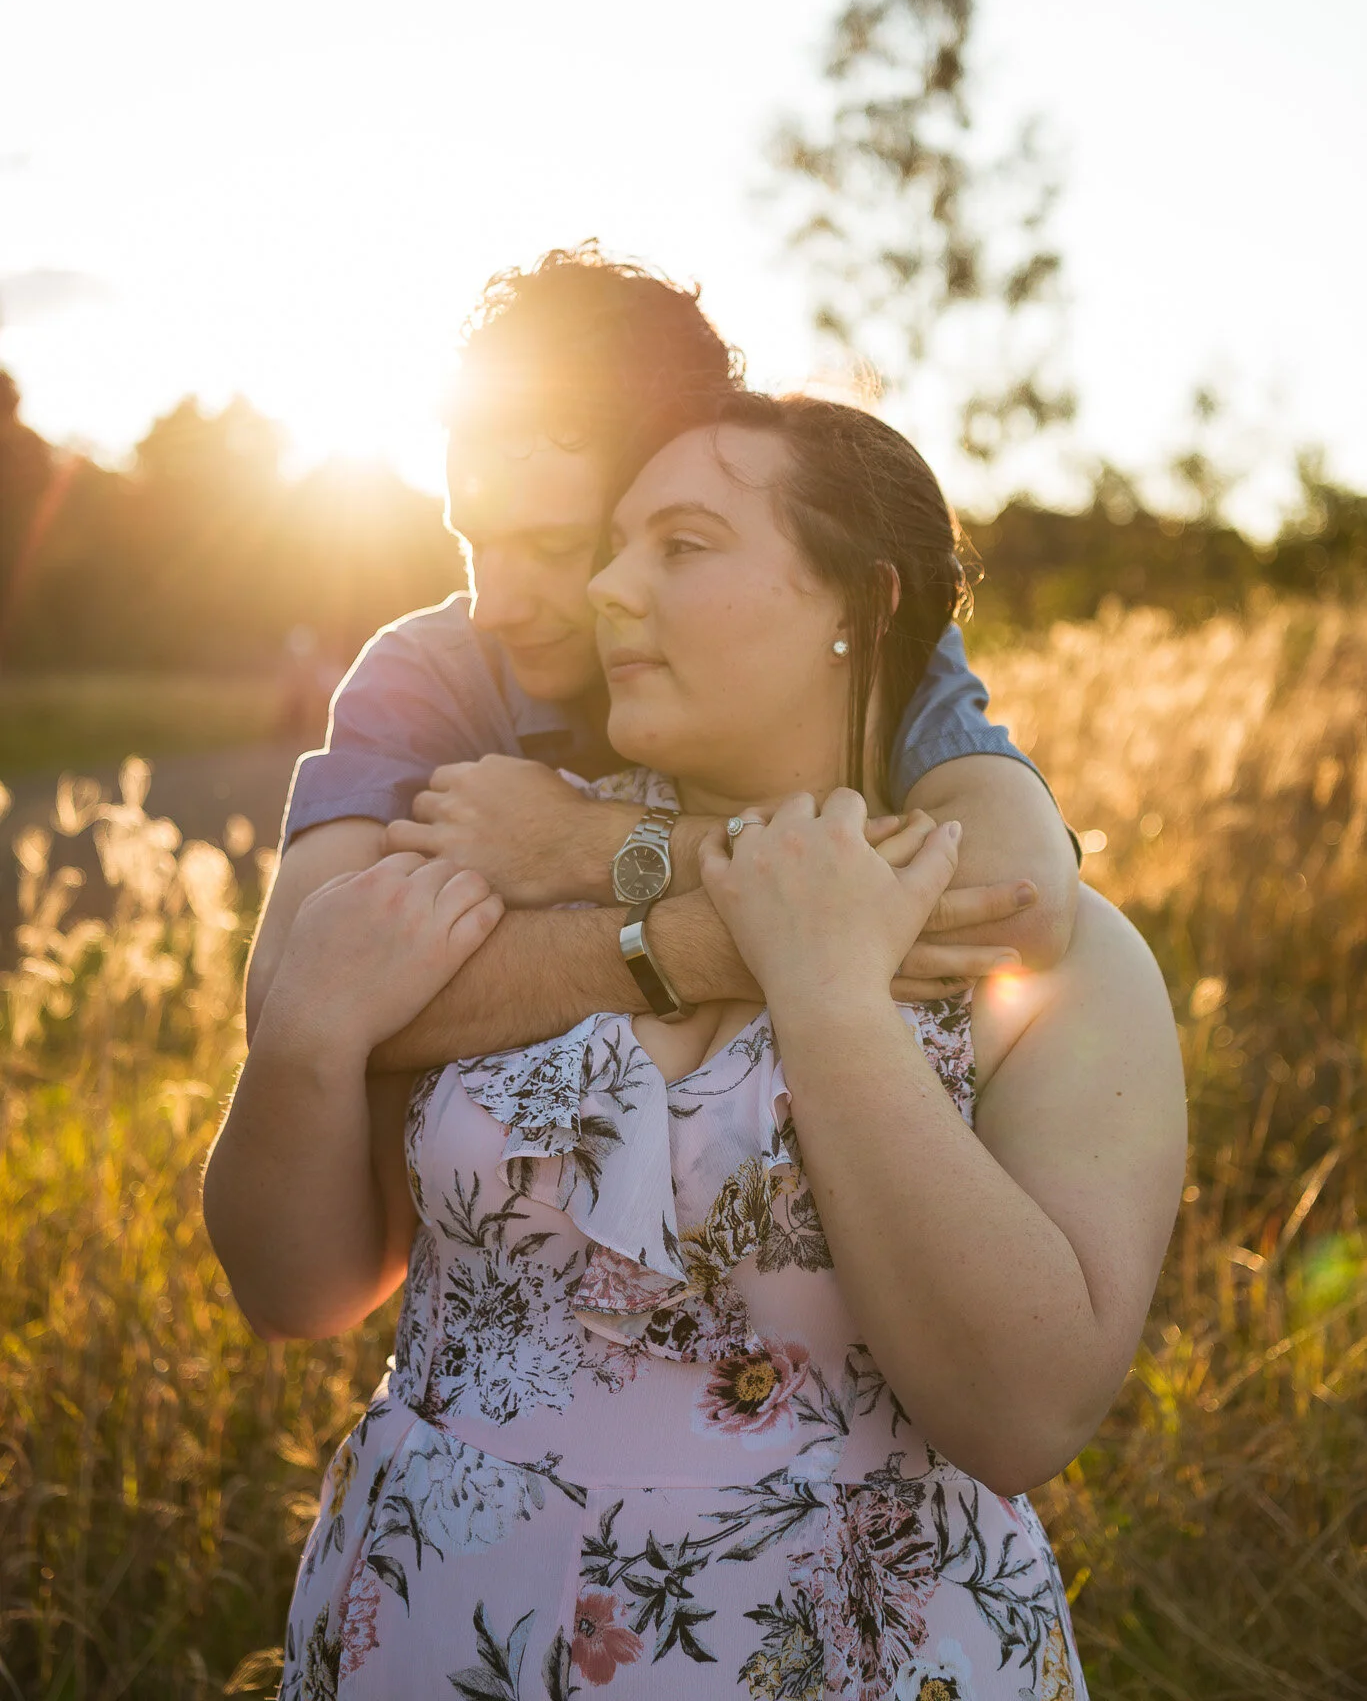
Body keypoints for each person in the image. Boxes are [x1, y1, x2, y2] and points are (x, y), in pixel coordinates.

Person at [204, 392, 1185, 1699]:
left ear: (861, 604)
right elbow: (294, 1288)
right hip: (433, 1623)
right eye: (609, 545)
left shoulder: (1039, 954)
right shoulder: (498, 852)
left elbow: (1022, 1414)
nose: (606, 587)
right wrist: (310, 1048)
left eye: (679, 543)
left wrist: (829, 999)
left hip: (849, 1645)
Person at [243, 247, 1081, 1084]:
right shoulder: (433, 673)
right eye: (474, 541)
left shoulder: (825, 622)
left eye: (554, 545)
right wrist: (714, 941)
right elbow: (295, 1002)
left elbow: (1014, 897)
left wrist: (591, 847)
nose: (493, 606)